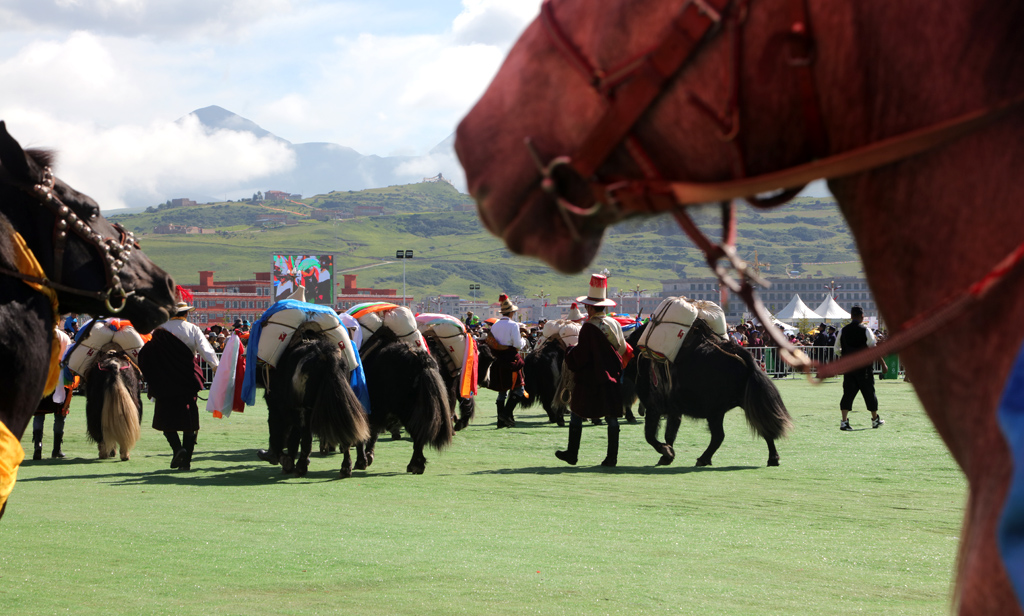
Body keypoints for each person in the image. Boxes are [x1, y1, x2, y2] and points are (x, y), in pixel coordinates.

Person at [556, 274, 628, 467]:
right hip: (612, 376)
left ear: (589, 307)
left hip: (590, 378)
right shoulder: (614, 323)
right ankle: (611, 458)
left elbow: (581, 357)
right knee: (612, 417)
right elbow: (621, 348)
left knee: (576, 413)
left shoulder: (588, 327)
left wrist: (570, 350)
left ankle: (572, 453)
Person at [138, 298, 219, 471]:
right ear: (186, 313)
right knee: (189, 422)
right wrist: (216, 368)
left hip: (164, 382)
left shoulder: (159, 330)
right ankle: (186, 462)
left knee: (166, 420)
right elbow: (207, 351)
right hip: (186, 381)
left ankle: (177, 449)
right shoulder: (192, 329)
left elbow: (146, 354)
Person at [834, 306, 887, 430]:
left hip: (849, 367)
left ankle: (844, 422)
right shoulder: (866, 330)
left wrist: (846, 355)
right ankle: (875, 420)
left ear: (851, 316)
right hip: (864, 368)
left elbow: (837, 349)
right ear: (862, 316)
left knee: (847, 393)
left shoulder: (843, 330)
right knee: (869, 393)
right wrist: (883, 364)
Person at [31, 327, 74, 460]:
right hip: (59, 378)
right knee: (60, 415)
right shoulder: (64, 336)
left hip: (40, 377)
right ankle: (56, 449)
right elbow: (68, 357)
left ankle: (38, 446)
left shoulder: (35, 333)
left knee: (39, 415)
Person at [485, 294, 526, 428]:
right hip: (511, 360)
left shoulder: (495, 326)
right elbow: (518, 345)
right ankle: (506, 414)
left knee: (502, 390)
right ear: (512, 313)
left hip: (498, 360)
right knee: (519, 390)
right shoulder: (513, 325)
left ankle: (500, 421)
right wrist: (524, 340)